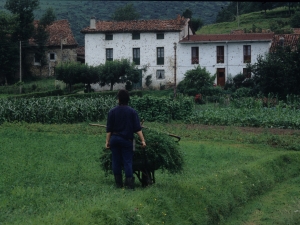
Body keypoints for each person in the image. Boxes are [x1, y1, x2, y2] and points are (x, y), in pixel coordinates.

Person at [105, 89, 146, 189]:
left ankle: (118, 184)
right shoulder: (132, 112)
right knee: (128, 161)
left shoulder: (112, 112)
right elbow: (137, 129)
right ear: (128, 100)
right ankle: (129, 185)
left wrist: (107, 142)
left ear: (118, 99)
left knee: (116, 161)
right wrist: (143, 140)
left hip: (114, 139)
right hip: (127, 141)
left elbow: (109, 130)